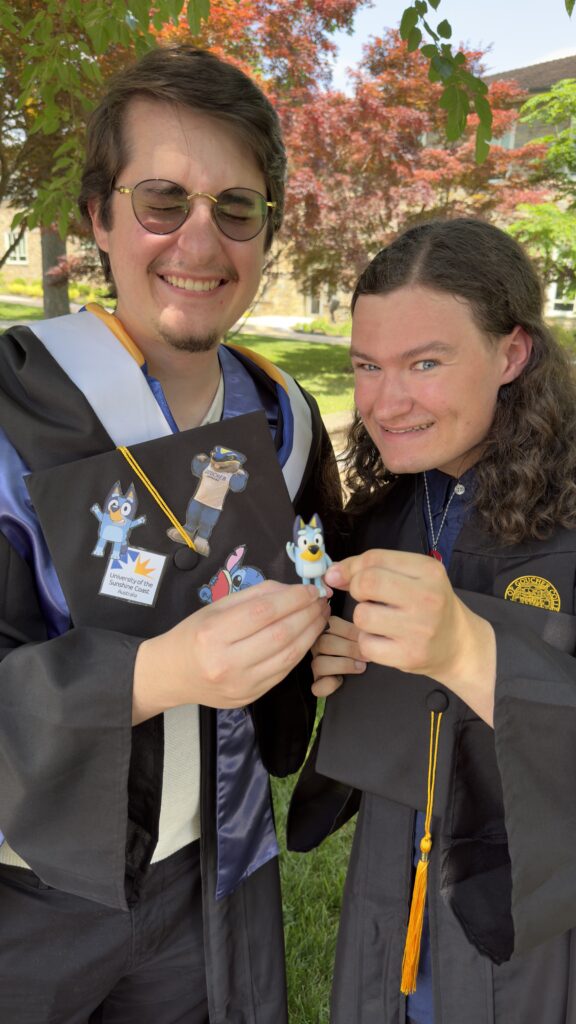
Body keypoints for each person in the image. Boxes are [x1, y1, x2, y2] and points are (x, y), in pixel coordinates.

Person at [0, 45, 340, 1023]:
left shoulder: (284, 418)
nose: (202, 239)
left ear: (268, 234)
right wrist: (155, 676)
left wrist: (337, 631)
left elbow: (314, 573)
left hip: (212, 880)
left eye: (237, 208)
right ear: (97, 217)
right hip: (28, 889)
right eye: (162, 201)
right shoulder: (16, 414)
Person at [288, 218, 576, 1024]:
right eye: (368, 366)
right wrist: (338, 662)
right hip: (394, 869)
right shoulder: (388, 508)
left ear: (512, 354)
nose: (386, 402)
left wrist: (472, 653)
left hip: (539, 902)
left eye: (426, 363)